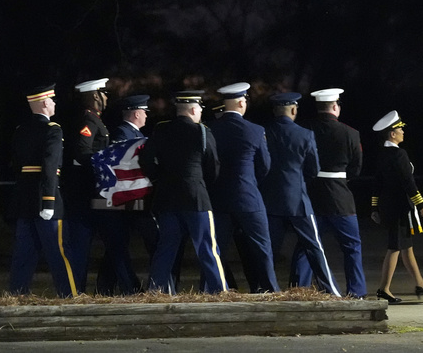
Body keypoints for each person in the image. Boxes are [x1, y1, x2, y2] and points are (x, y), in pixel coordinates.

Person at [140, 90, 227, 294]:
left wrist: (158, 179)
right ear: (194, 109)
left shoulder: (161, 130)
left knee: (166, 247)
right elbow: (213, 165)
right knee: (207, 247)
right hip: (196, 197)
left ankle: (156, 290)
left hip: (166, 197)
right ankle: (218, 290)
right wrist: (202, 183)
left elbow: (145, 160)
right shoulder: (202, 132)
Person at [260, 92, 340, 295]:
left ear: (274, 111)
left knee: (268, 250)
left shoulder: (263, 133)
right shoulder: (305, 134)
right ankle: (330, 290)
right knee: (314, 247)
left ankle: (266, 289)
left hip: (270, 200)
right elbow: (313, 169)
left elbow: (260, 167)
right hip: (297, 199)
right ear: (294, 110)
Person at [292, 87, 366, 298]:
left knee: (307, 245)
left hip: (311, 196)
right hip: (340, 197)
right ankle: (356, 291)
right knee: (352, 246)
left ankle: (300, 288)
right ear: (335, 107)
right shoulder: (350, 133)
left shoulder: (304, 129)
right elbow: (355, 168)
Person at [208, 82, 279, 293]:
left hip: (218, 198)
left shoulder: (210, 129)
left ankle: (214, 288)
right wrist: (250, 182)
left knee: (216, 248)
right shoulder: (256, 130)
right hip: (248, 196)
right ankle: (270, 289)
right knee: (262, 247)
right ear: (241, 102)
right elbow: (264, 166)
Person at [7, 84, 77, 297]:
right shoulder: (53, 130)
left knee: (24, 253)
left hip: (24, 199)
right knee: (58, 252)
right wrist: (48, 200)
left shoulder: (21, 130)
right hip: (44, 198)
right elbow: (50, 166)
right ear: (45, 103)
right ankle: (68, 295)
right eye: (52, 100)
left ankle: (17, 294)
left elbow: (16, 165)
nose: (54, 103)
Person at [370, 110, 423, 304]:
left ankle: (420, 283)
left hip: (388, 207)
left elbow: (377, 184)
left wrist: (374, 208)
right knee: (395, 247)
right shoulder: (399, 154)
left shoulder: (382, 154)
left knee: (406, 247)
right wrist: (422, 205)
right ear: (392, 134)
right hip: (400, 208)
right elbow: (409, 182)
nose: (402, 132)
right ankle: (384, 289)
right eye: (400, 129)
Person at [96, 94, 157, 295]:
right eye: (145, 112)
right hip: (126, 200)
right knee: (120, 245)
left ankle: (106, 286)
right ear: (136, 113)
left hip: (130, 200)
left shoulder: (131, 133)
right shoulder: (123, 134)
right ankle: (125, 287)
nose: (147, 116)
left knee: (117, 245)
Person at [61, 77, 111, 294]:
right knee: (80, 244)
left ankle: (79, 288)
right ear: (95, 96)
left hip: (85, 191)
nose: (107, 97)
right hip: (84, 192)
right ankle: (75, 289)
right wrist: (103, 168)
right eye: (104, 93)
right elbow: (83, 151)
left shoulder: (93, 119)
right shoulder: (89, 120)